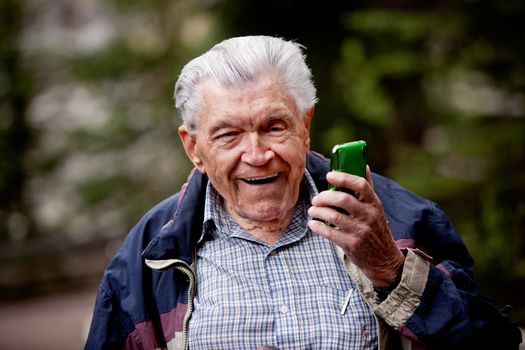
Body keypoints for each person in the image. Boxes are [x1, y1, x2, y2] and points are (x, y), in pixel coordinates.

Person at [85, 36, 521, 349]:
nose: (256, 155)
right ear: (193, 147)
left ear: (305, 126)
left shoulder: (403, 220)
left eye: (274, 126)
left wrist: (389, 266)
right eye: (228, 135)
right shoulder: (147, 254)